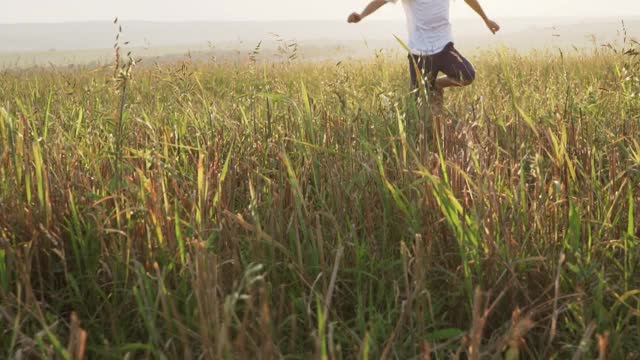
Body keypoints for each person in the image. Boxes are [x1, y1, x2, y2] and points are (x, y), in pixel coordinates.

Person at [348, 0, 500, 110]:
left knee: (467, 74)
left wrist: (485, 19)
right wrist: (361, 15)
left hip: (444, 47)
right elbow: (380, 1)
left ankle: (437, 84)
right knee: (418, 106)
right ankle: (431, 134)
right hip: (419, 54)